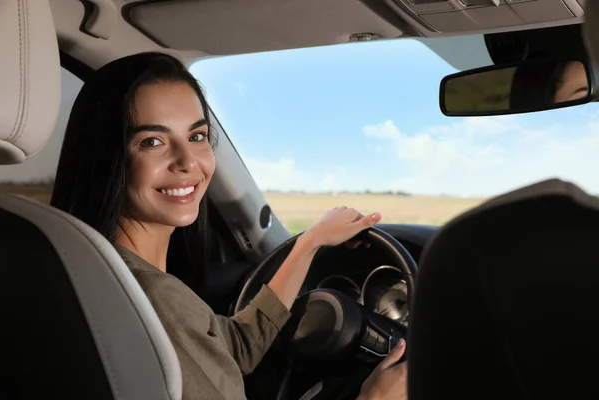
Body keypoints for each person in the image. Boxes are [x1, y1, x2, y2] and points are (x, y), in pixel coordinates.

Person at [50, 51, 408, 400]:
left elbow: (232, 349)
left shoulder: (96, 268)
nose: (188, 161)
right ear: (107, 157)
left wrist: (309, 243)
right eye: (152, 142)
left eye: (197, 136)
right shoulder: (153, 296)